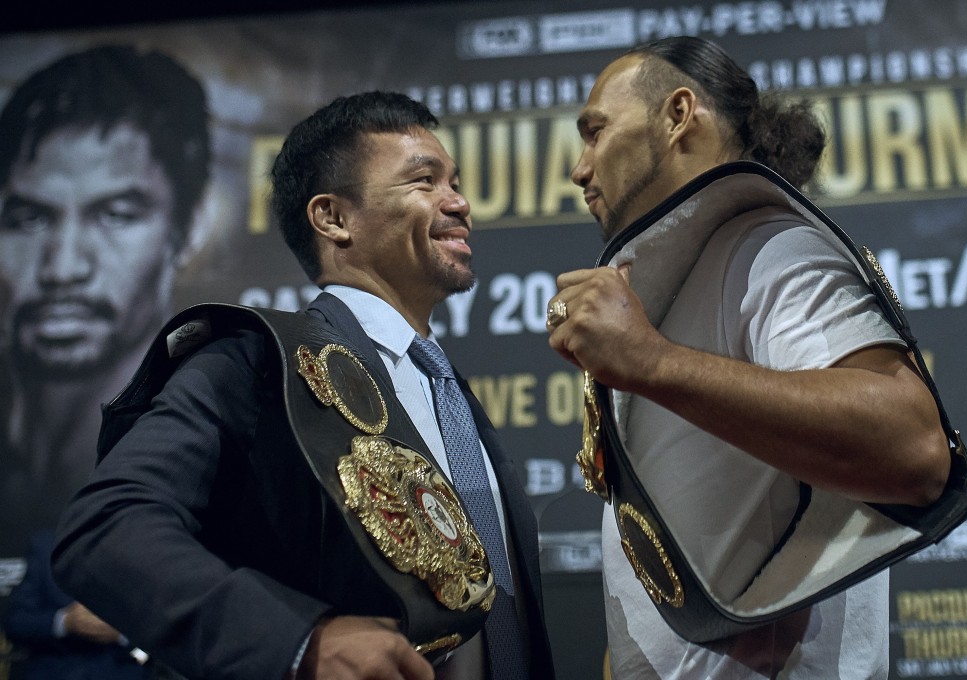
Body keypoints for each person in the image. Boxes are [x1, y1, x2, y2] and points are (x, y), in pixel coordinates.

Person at [51, 91, 555, 680]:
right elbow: (105, 527)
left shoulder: (446, 390)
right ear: (333, 218)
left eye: (456, 181)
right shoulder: (255, 361)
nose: (461, 203)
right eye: (425, 181)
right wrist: (299, 641)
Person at [546, 37, 950, 679]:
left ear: (678, 114)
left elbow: (915, 447)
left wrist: (651, 361)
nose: (580, 168)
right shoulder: (687, 279)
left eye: (596, 132)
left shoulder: (771, 250)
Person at [0, 44, 210, 578]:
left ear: (186, 231)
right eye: (28, 219)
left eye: (116, 215)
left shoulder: (215, 462)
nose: (63, 268)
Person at [3, 531, 149, 680]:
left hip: (122, 671)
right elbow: (15, 623)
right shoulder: (46, 547)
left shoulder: (143, 547)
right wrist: (64, 622)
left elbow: (162, 624)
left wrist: (121, 634)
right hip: (56, 671)